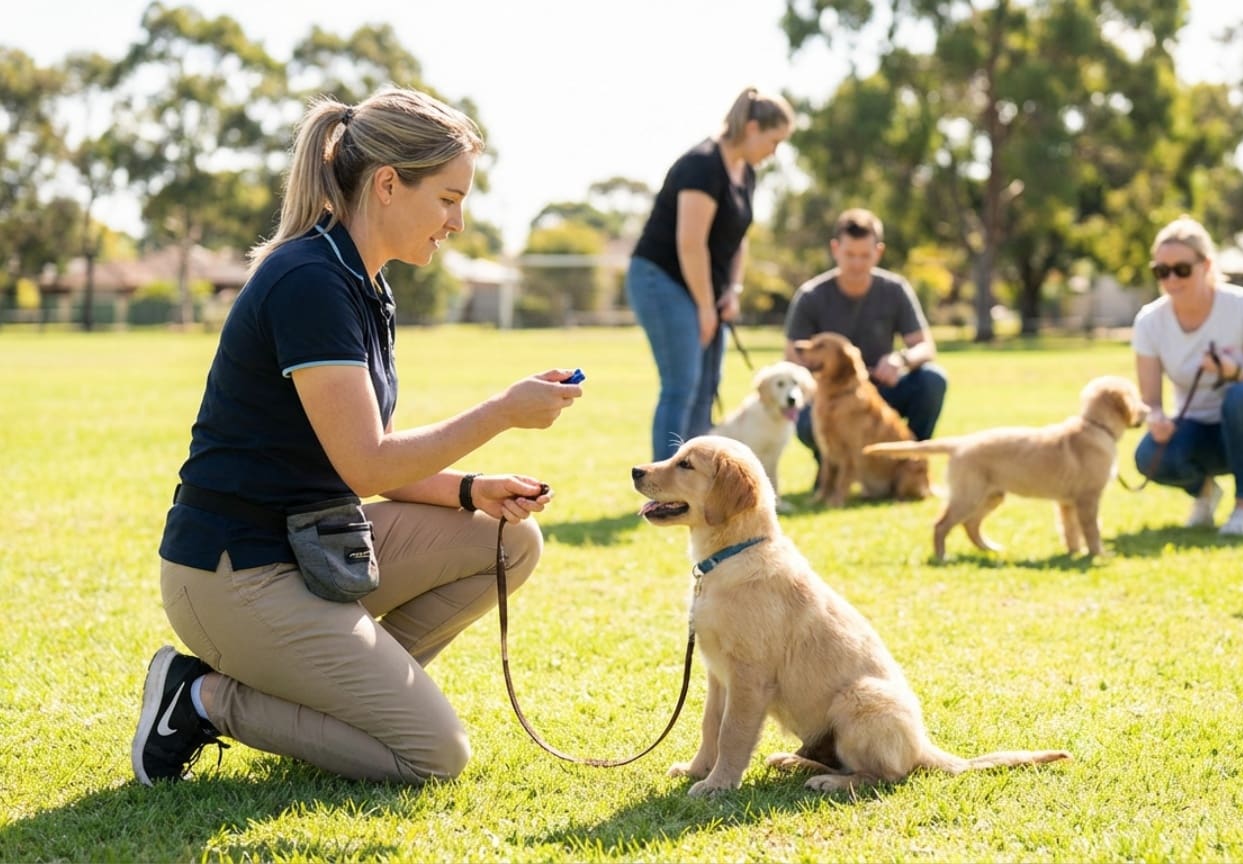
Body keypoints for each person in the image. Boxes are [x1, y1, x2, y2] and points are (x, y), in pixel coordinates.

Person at [132, 88, 584, 786]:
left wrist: (471, 491)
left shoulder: (364, 282)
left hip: (307, 552)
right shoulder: (310, 279)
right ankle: (200, 698)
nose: (458, 222)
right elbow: (367, 461)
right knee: (435, 756)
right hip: (234, 573)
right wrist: (502, 410)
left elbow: (372, 460)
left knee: (507, 540)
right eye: (447, 198)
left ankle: (339, 703)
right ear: (386, 184)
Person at [627, 86, 795, 461]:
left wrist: (731, 290)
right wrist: (705, 305)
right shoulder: (701, 165)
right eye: (774, 140)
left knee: (707, 386)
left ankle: (698, 484)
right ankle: (665, 486)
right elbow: (690, 243)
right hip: (661, 279)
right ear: (751, 127)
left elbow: (738, 239)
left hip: (703, 286)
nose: (775, 151)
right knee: (681, 386)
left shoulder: (745, 173)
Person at [1130, 215, 1243, 537]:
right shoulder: (1150, 321)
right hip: (1196, 430)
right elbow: (1150, 401)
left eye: (1182, 269)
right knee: (1148, 455)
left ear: (1206, 265)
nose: (1171, 279)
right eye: (1161, 271)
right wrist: (1157, 419)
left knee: (1242, 396)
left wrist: (1236, 372)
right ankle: (1205, 493)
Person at [784, 208, 947, 472]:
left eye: (865, 255)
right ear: (835, 249)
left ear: (878, 252)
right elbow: (792, 356)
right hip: (830, 395)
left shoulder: (895, 290)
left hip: (880, 392)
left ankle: (908, 465)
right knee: (805, 420)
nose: (857, 264)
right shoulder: (811, 296)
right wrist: (825, 388)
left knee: (932, 380)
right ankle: (831, 469)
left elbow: (925, 346)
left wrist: (900, 359)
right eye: (850, 255)